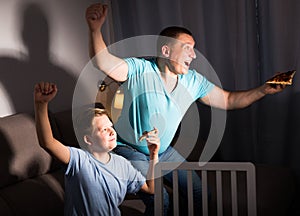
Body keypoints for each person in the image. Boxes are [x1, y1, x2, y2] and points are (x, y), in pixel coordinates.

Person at [85, 3, 287, 215]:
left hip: (163, 151)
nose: (194, 55)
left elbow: (228, 100)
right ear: (166, 50)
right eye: (188, 48)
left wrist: (263, 90)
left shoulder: (193, 81)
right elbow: (103, 62)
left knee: (200, 193)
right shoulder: (140, 69)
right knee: (159, 199)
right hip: (130, 149)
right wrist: (95, 30)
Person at [33, 81, 160, 216]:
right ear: (88, 139)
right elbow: (47, 142)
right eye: (104, 130)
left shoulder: (123, 165)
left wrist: (153, 155)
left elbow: (151, 189)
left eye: (111, 127)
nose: (112, 132)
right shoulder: (80, 160)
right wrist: (41, 105)